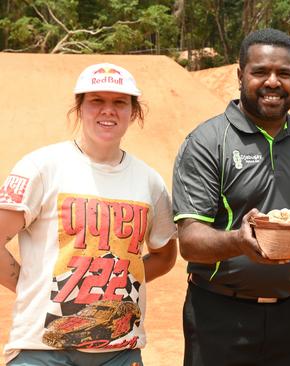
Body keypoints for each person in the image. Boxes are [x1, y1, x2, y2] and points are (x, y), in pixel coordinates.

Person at [172, 28, 290, 366]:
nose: (272, 82)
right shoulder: (208, 141)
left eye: (284, 73)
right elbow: (190, 240)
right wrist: (239, 241)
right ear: (240, 75)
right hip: (219, 315)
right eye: (260, 72)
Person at [0, 62, 178, 365]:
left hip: (120, 351)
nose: (107, 110)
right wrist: (29, 283)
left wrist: (115, 283)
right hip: (42, 349)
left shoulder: (150, 181)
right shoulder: (42, 167)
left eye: (119, 102)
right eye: (96, 100)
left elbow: (165, 255)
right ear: (79, 107)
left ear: (133, 112)